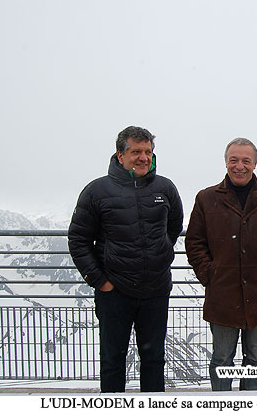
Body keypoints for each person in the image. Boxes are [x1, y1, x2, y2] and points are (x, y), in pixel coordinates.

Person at [68, 126, 184, 393]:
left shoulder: (165, 188)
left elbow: (173, 227)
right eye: (136, 152)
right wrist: (100, 281)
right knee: (112, 360)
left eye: (148, 152)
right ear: (120, 156)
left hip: (155, 290)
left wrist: (160, 253)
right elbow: (78, 240)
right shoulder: (97, 191)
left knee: (154, 359)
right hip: (114, 292)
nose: (144, 157)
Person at [185, 137, 257, 391]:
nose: (239, 166)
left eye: (246, 160)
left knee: (255, 358)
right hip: (222, 294)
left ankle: (250, 404)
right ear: (226, 162)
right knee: (222, 358)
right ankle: (223, 404)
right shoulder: (206, 198)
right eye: (234, 160)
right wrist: (209, 273)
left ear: (255, 164)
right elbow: (195, 242)